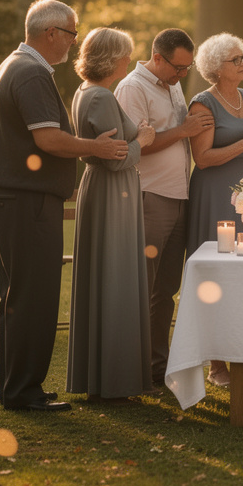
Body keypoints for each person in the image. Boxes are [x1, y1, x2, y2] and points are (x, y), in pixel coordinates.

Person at [0, 0, 128, 412]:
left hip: (12, 196)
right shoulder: (31, 73)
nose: (73, 42)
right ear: (51, 33)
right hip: (27, 200)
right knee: (33, 296)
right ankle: (23, 391)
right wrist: (95, 146)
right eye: (71, 33)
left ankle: (18, 388)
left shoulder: (14, 65)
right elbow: (48, 139)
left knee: (17, 295)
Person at [114, 28, 214, 389]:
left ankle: (158, 366)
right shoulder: (132, 88)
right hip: (149, 196)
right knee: (144, 286)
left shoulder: (171, 84)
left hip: (178, 196)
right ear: (157, 58)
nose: (182, 75)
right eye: (178, 67)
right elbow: (134, 146)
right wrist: (184, 130)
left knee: (166, 288)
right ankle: (133, 367)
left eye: (187, 68)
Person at [66, 28, 156, 400]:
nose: (127, 62)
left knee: (108, 274)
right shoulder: (101, 95)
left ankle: (106, 376)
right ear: (111, 58)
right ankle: (114, 380)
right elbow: (116, 157)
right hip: (111, 191)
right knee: (114, 275)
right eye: (125, 55)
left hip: (105, 189)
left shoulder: (86, 90)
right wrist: (143, 141)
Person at [184, 32, 243, 387]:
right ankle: (216, 363)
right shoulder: (202, 104)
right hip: (216, 194)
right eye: (236, 59)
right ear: (216, 68)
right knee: (216, 278)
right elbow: (202, 159)